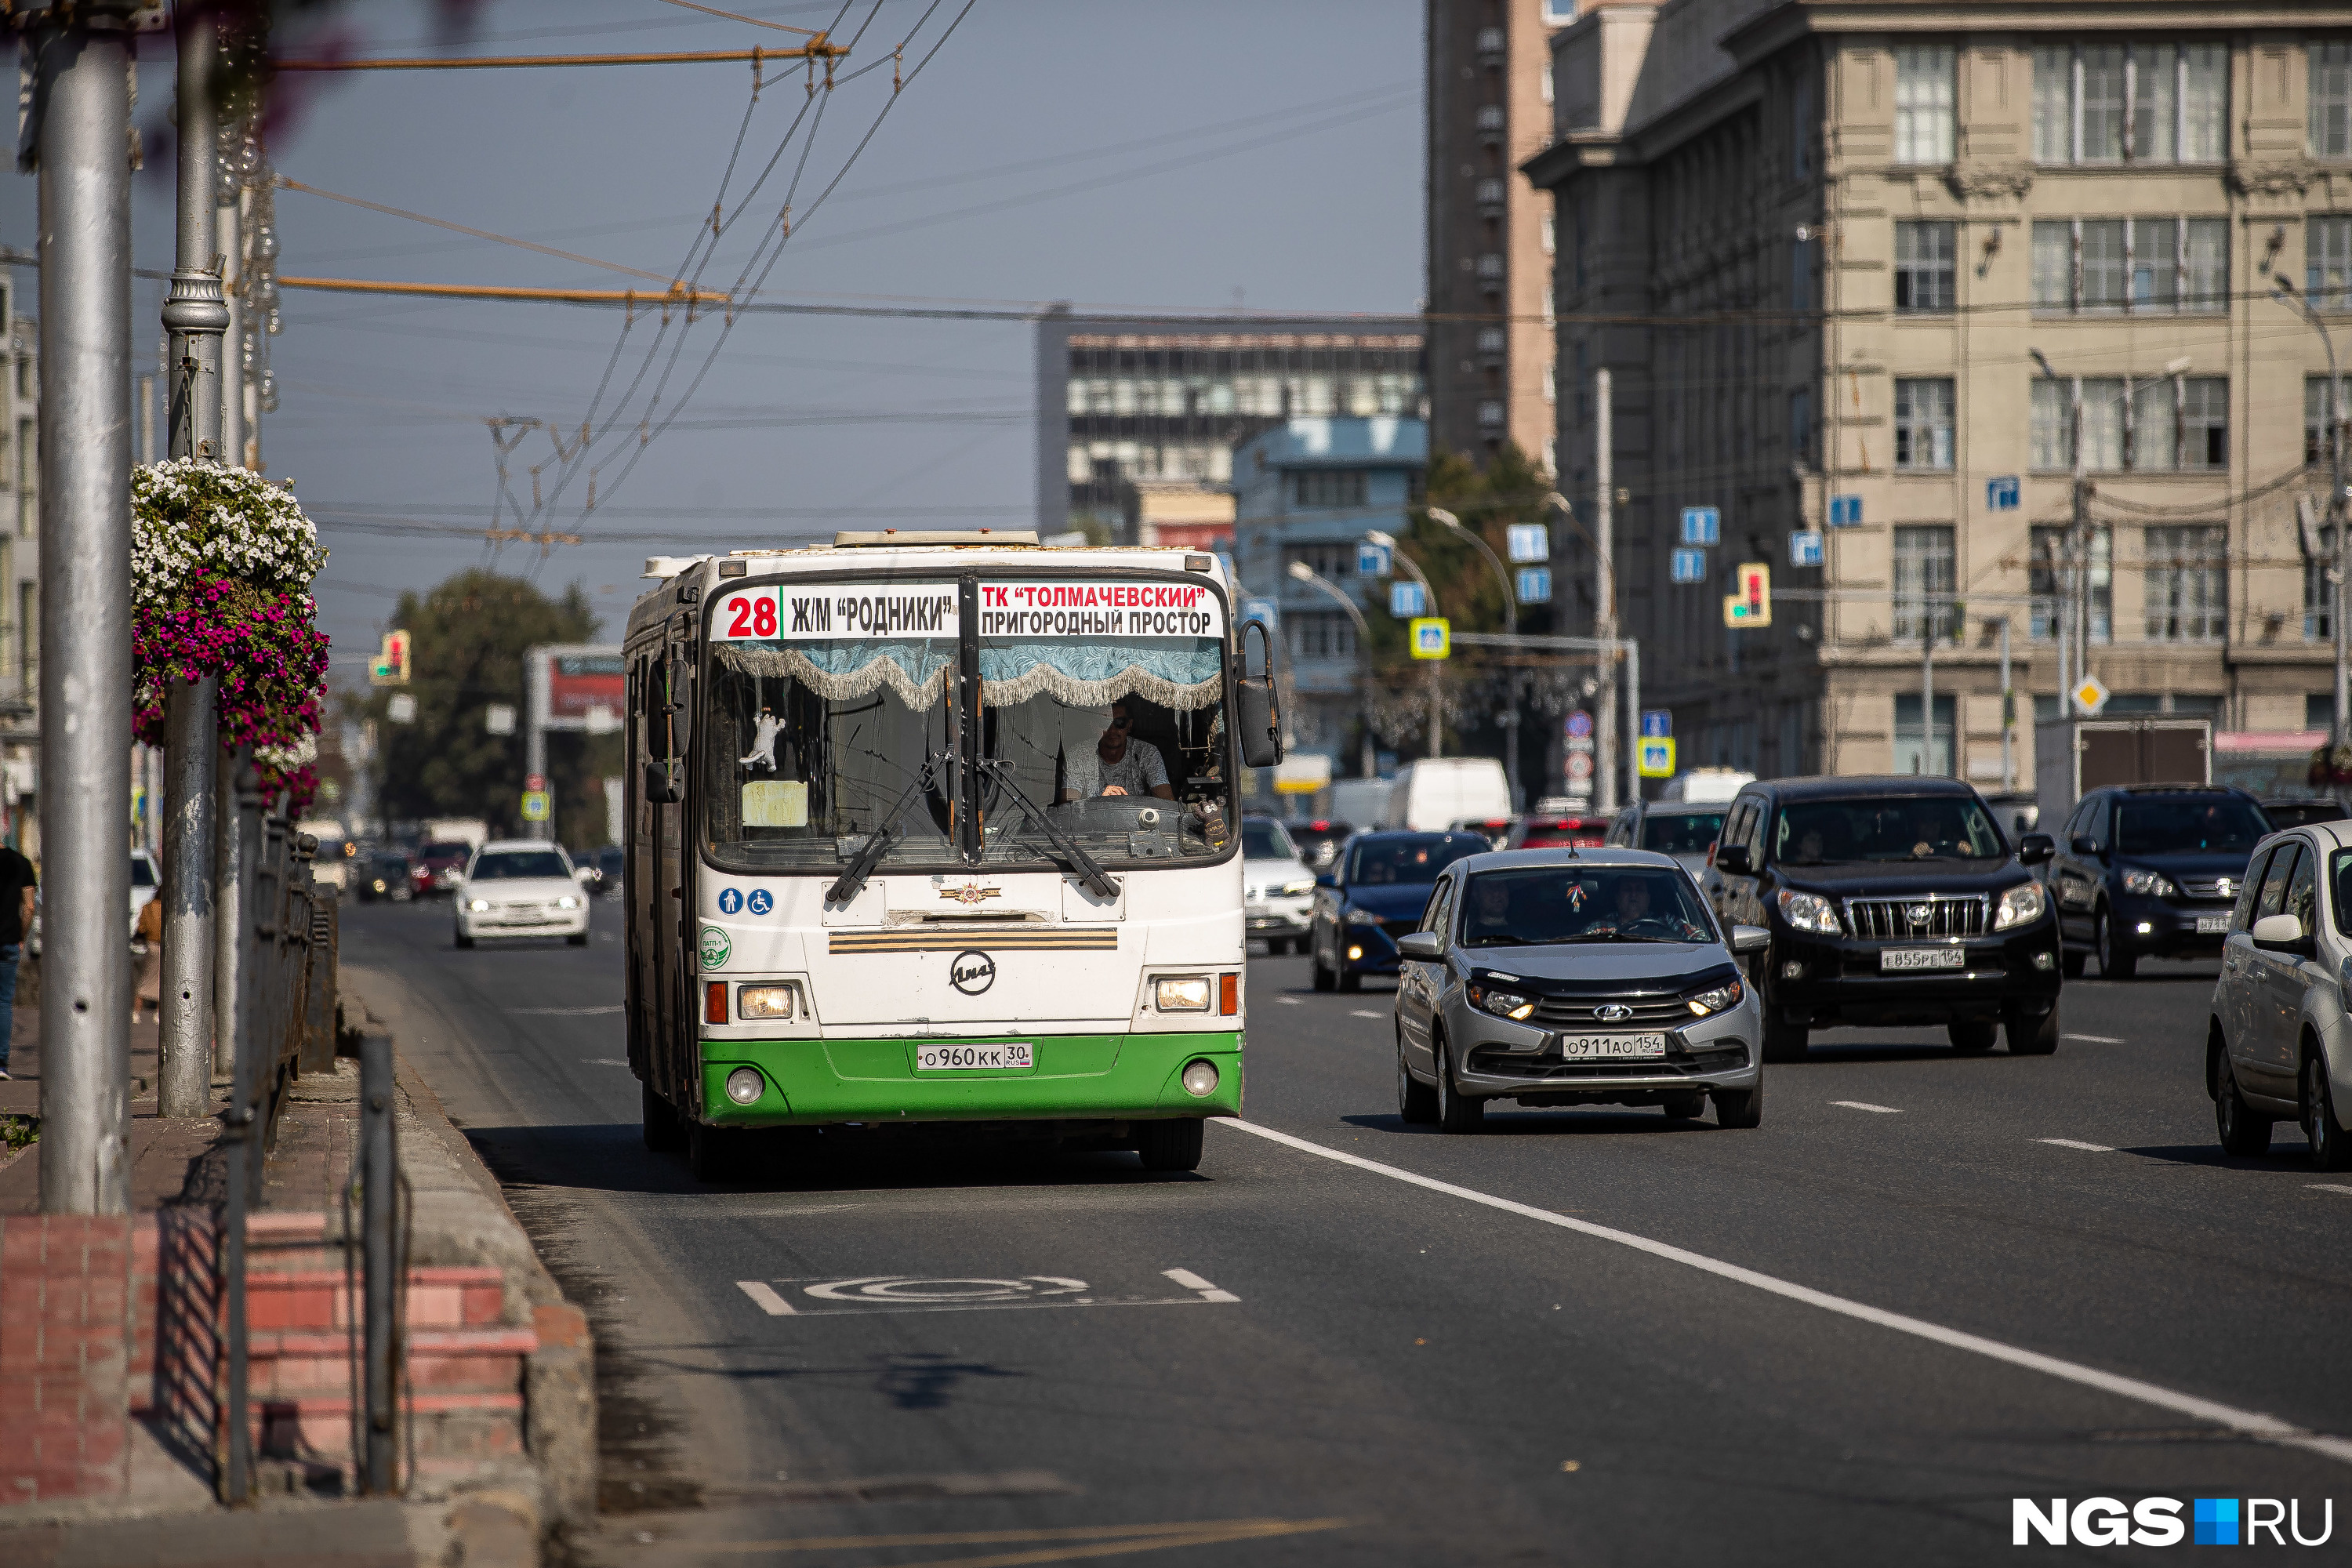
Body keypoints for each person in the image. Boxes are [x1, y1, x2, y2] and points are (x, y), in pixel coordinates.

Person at [1094, 701, 1174, 800]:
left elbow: (1166, 801)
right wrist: (1101, 800)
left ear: (1129, 725)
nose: (1113, 730)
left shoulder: (1147, 752)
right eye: (1105, 722)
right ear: (1094, 725)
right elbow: (1071, 805)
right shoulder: (1080, 755)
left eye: (1120, 723)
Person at [0, 837, 32, 1080]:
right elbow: (30, 906)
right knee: (3, 1003)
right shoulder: (21, 863)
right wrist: (22, 936)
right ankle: (1, 1063)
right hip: (9, 941)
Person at [133, 895, 163, 1019]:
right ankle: (158, 1013)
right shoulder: (168, 907)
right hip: (163, 944)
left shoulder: (148, 907)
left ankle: (136, 1012)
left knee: (145, 977)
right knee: (161, 979)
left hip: (150, 944)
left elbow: (141, 927)